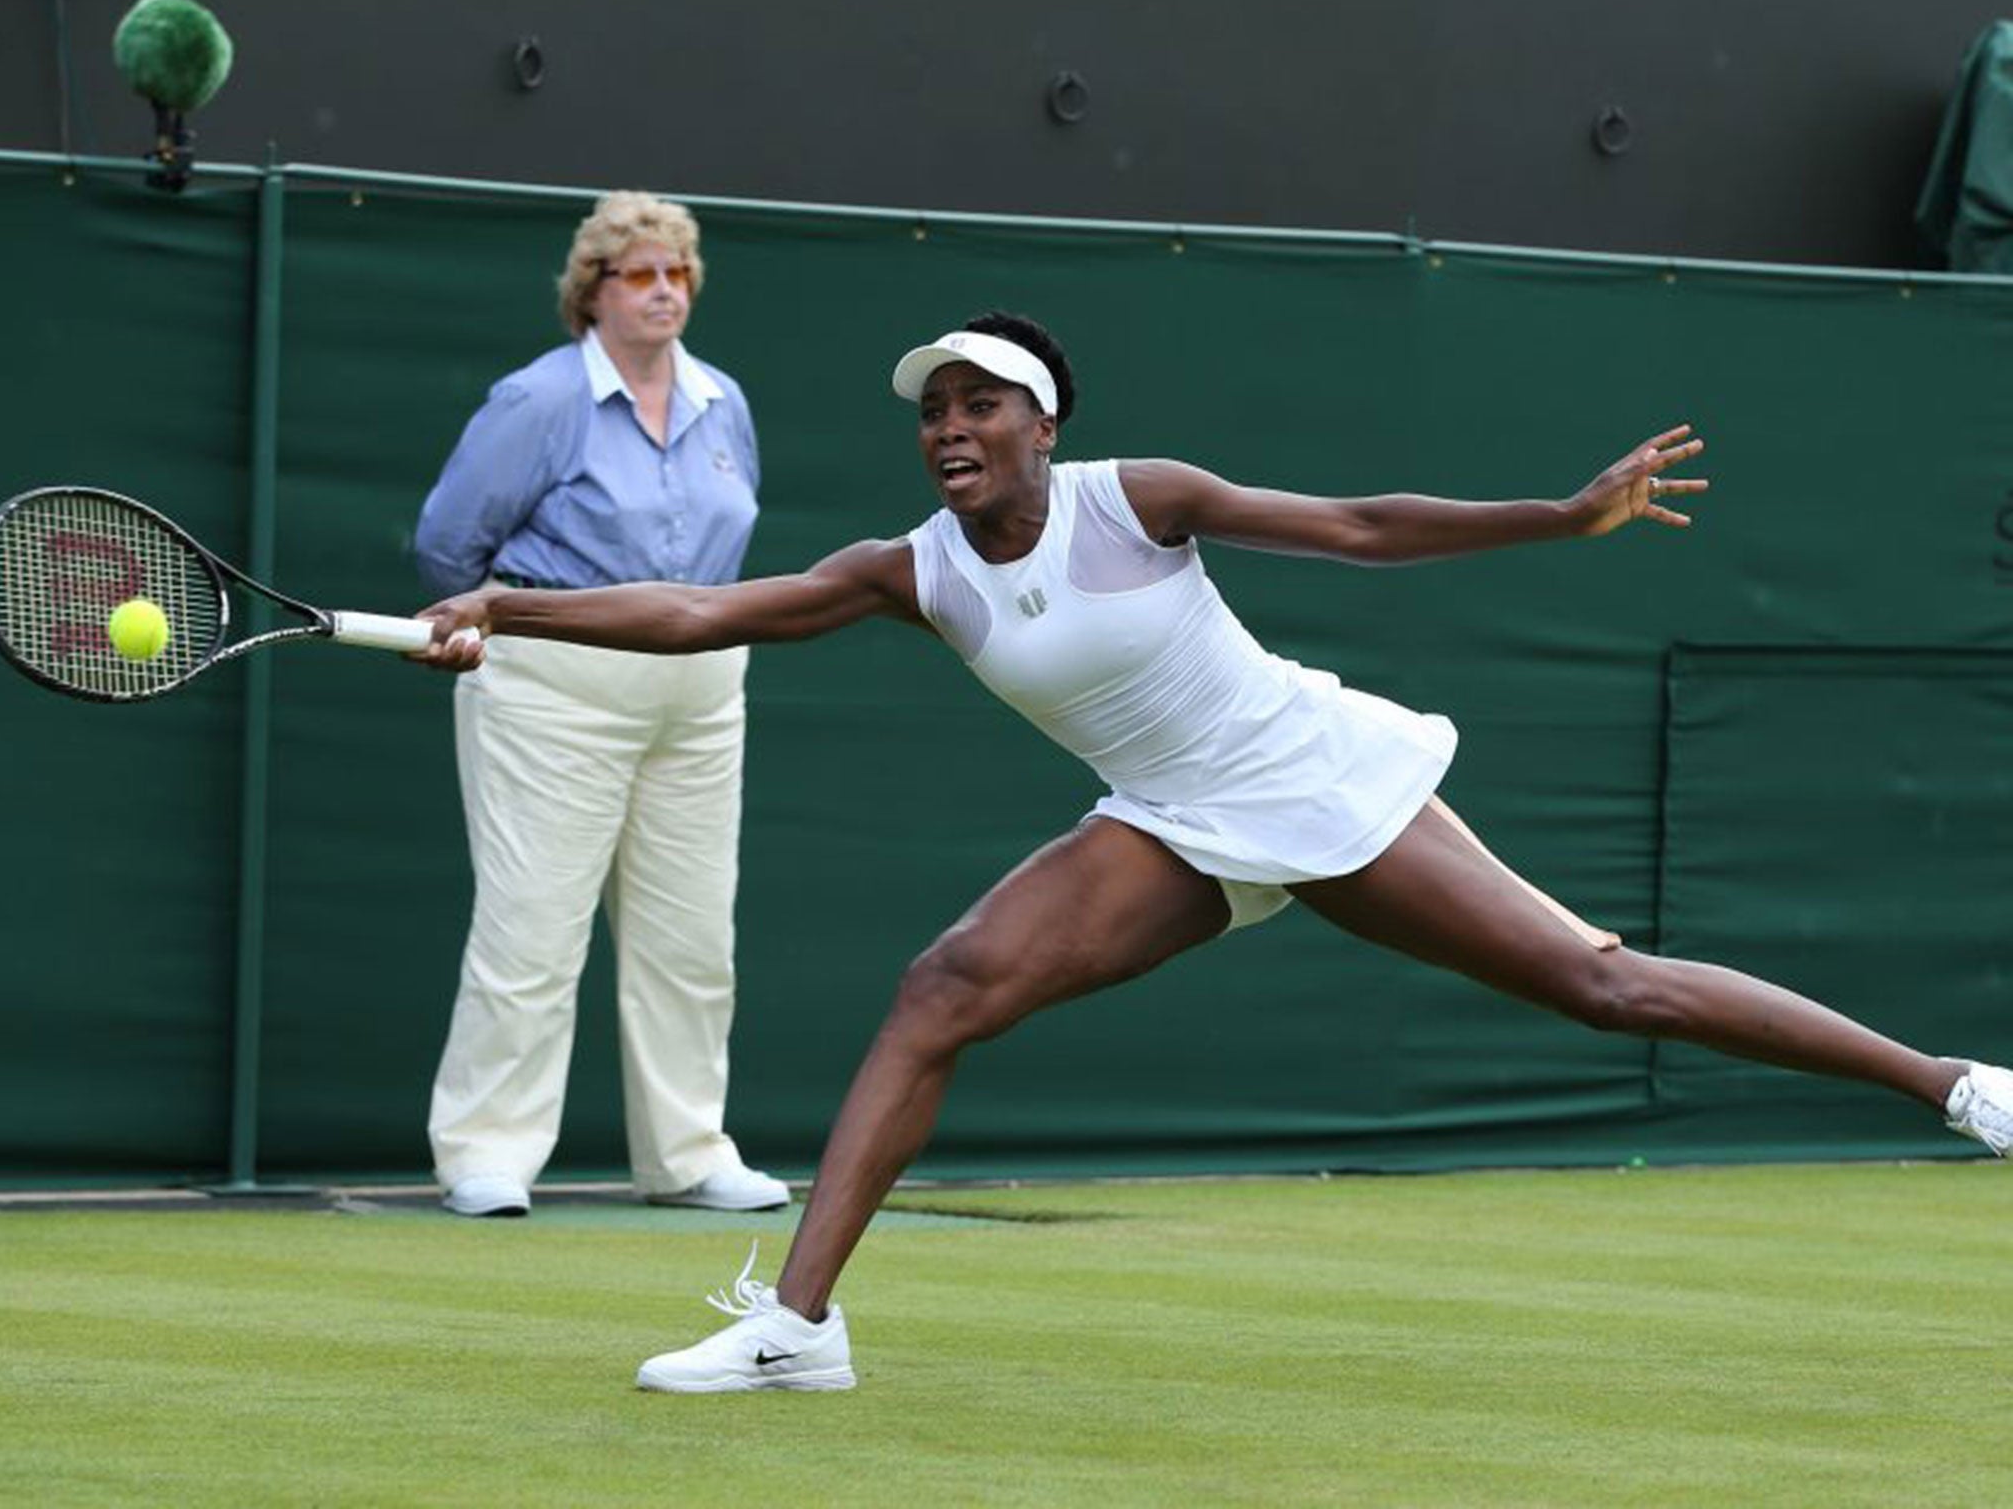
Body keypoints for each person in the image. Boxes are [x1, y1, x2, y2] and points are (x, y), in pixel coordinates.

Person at [412, 311, 2013, 1384]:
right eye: (935, 413)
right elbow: (699, 614)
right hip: (1164, 821)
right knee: (946, 986)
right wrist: (510, 606)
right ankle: (797, 1331)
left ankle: (1958, 1087)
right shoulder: (908, 569)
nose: (950, 430)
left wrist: (1558, 513)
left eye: (981, 406)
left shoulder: (1140, 498)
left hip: (1311, 777)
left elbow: (1365, 526)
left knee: (1607, 988)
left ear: (1047, 425)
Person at [411, 191, 788, 1218]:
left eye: (676, 274)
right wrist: (495, 628)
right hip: (554, 688)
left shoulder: (724, 402)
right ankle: (485, 1153)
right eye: (640, 275)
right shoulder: (536, 401)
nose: (664, 291)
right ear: (594, 294)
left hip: (703, 691)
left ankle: (688, 1153)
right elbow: (449, 545)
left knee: (692, 938)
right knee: (531, 929)